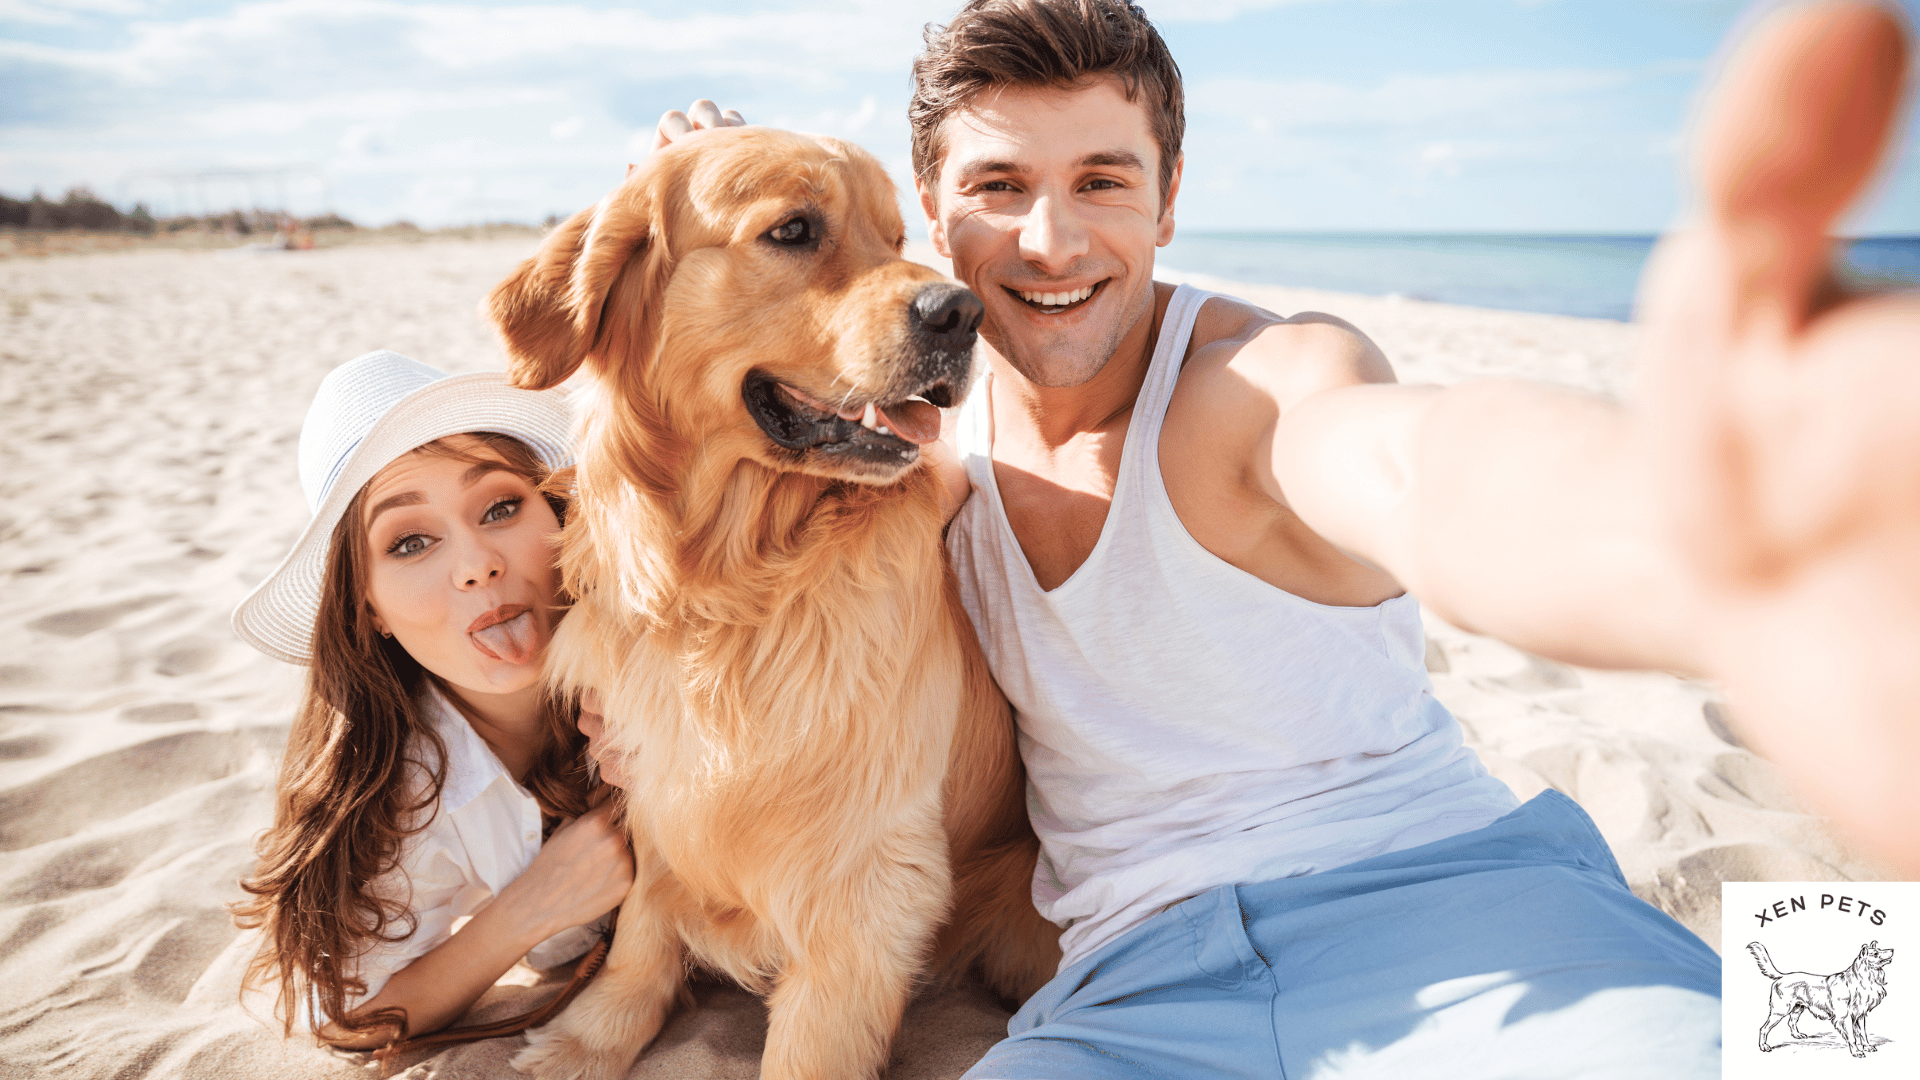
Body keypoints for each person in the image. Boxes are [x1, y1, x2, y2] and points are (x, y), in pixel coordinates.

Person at [649, 0, 1917, 1074]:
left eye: (1103, 180)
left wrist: (1695, 528)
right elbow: (691, 427)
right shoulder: (909, 437)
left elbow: (1419, 471)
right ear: (935, 209)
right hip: (1127, 982)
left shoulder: (1258, 382)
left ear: (1170, 197)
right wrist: (702, 177)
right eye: (999, 188)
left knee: (1811, 1042)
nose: (1050, 239)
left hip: (1450, 905)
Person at [228, 350, 633, 1049]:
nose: (478, 565)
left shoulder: (672, 630)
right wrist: (533, 908)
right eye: (411, 543)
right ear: (369, 609)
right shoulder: (405, 785)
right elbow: (346, 1020)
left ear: (560, 510)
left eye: (502, 506)